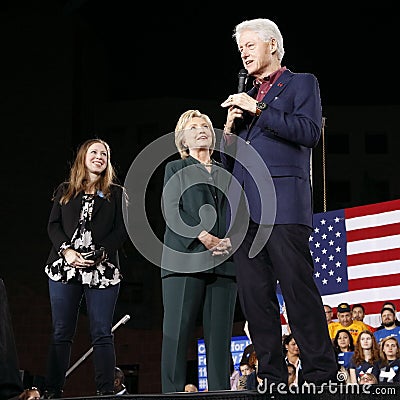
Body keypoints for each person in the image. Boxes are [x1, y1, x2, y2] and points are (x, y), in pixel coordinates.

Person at [219, 17, 338, 387]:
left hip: (283, 206)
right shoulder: (246, 97)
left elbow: (308, 132)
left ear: (272, 44)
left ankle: (321, 374)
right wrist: (228, 132)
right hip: (246, 213)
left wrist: (256, 111)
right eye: (240, 48)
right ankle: (270, 376)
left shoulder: (302, 83)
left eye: (249, 45)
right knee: (256, 301)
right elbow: (230, 164)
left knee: (297, 291)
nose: (244, 52)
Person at [43, 138, 128, 398]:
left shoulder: (116, 192)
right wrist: (66, 251)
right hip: (65, 268)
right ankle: (52, 390)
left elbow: (121, 231)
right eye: (94, 152)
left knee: (102, 332)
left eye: (104, 154)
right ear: (83, 157)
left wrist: (101, 252)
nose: (99, 157)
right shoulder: (65, 189)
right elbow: (53, 225)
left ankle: (105, 391)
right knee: (61, 331)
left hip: (101, 270)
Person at [160, 110, 237, 393]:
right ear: (183, 138)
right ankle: (172, 391)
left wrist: (232, 240)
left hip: (224, 263)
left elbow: (239, 210)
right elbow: (171, 209)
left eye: (205, 126)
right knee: (177, 334)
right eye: (193, 127)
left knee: (219, 338)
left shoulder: (226, 170)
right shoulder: (174, 168)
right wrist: (201, 235)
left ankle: (220, 391)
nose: (201, 130)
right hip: (184, 259)